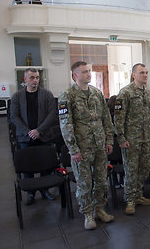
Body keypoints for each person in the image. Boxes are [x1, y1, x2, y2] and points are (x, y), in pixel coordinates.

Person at [59, 61, 115, 230]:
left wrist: (109, 140)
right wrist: (73, 149)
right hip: (82, 148)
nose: (88, 74)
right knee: (84, 183)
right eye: (84, 72)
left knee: (101, 182)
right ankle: (88, 214)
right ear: (75, 75)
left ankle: (99, 209)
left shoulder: (97, 94)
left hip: (99, 146)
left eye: (89, 71)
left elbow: (106, 119)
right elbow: (65, 124)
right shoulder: (67, 95)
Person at [10, 68, 58, 205]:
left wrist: (38, 130)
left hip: (44, 135)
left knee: (45, 164)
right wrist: (28, 132)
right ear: (25, 79)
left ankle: (45, 190)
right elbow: (14, 116)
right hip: (25, 137)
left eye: (37, 77)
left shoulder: (47, 94)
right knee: (28, 165)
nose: (35, 80)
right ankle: (31, 193)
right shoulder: (17, 96)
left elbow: (52, 115)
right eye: (32, 77)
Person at [114, 63, 150, 215]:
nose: (145, 75)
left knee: (144, 168)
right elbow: (118, 118)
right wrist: (121, 138)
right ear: (133, 75)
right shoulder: (125, 93)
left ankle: (139, 195)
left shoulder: (148, 93)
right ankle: (130, 199)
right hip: (131, 139)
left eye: (146, 72)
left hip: (145, 137)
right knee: (131, 170)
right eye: (142, 72)